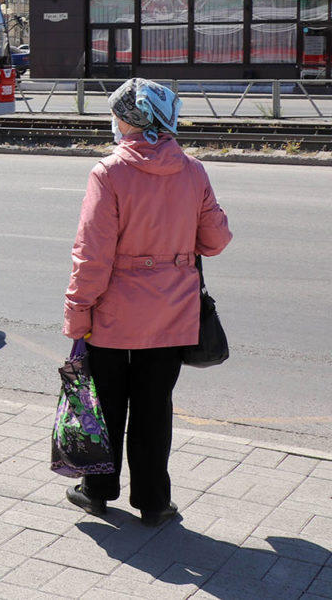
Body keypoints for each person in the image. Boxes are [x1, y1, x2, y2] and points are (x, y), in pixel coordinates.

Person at [63, 78, 232, 526]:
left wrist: (78, 311)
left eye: (116, 115)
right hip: (173, 313)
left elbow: (92, 254)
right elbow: (215, 241)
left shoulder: (109, 172)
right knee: (155, 407)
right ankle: (154, 503)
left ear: (129, 121)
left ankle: (96, 492)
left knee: (107, 404)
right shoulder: (193, 170)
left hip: (113, 314)